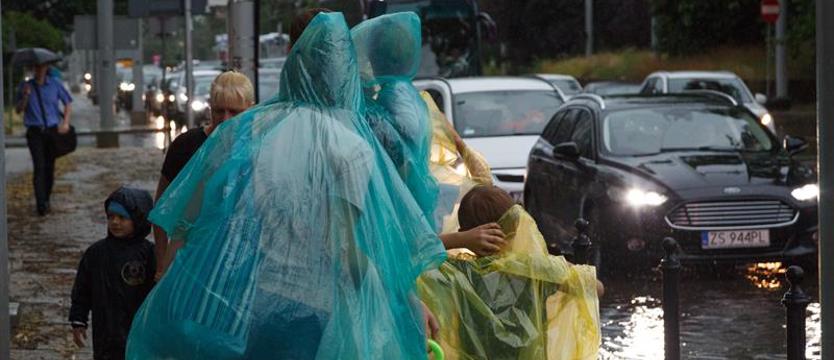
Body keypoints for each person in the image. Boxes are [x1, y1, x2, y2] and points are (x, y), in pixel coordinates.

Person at [126, 13, 446, 359]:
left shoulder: (250, 130)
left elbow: (191, 222)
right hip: (313, 313)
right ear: (343, 71)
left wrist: (167, 283)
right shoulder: (349, 147)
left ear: (292, 59)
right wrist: (404, 302)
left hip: (253, 304)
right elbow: (348, 254)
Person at [351, 13, 506, 257]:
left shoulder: (391, 101)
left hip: (405, 209)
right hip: (417, 208)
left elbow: (399, 152)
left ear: (376, 58)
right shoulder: (411, 97)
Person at [418, 185, 602, 360]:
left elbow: (408, 253)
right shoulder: (535, 270)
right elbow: (597, 288)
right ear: (516, 225)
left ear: (468, 232)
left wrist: (459, 239)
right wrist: (558, 266)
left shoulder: (457, 272)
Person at [152, 71, 254, 280]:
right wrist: (161, 264)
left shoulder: (257, 150)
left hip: (238, 260)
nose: (226, 119)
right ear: (210, 108)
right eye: (219, 111)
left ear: (250, 110)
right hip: (188, 256)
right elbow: (162, 206)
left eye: (234, 112)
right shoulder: (186, 145)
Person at [69, 187, 156, 359]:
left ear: (138, 220)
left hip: (138, 330)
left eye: (122, 217)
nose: (115, 222)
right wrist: (78, 319)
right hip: (105, 332)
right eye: (111, 217)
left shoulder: (149, 254)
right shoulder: (96, 253)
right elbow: (82, 289)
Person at [15, 62, 72, 216]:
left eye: (42, 67)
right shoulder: (25, 86)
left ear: (46, 69)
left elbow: (68, 102)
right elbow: (19, 109)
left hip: (52, 131)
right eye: (36, 67)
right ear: (33, 69)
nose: (39, 70)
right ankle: (41, 205)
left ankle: (46, 198)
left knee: (49, 167)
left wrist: (65, 123)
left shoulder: (54, 84)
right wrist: (26, 96)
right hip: (34, 132)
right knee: (39, 167)